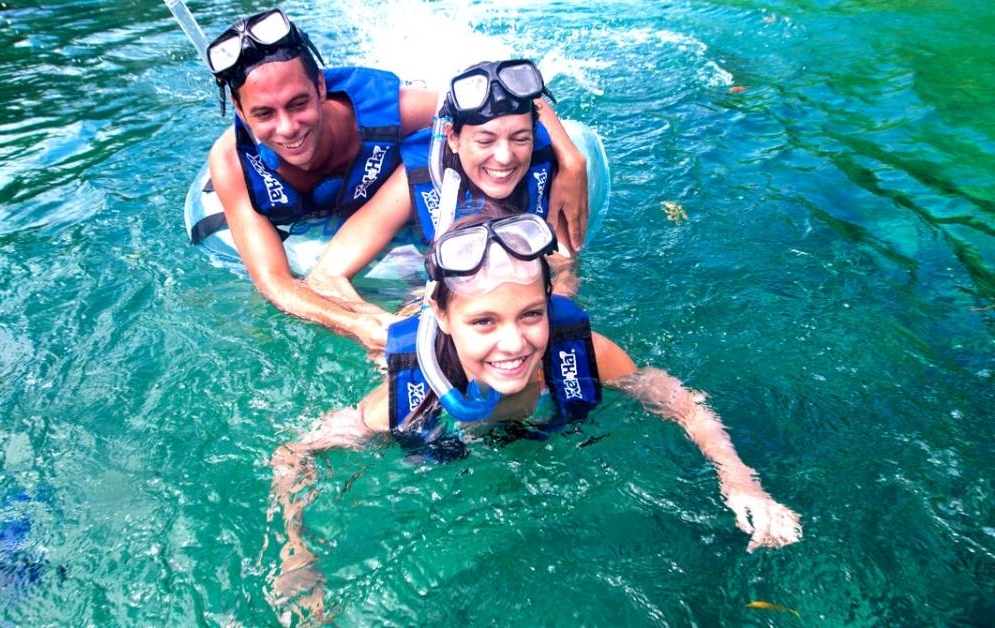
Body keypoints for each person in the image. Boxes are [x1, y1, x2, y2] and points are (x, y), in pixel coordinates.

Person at [267, 209, 802, 621]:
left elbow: (676, 397)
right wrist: (298, 555)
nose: (514, 342)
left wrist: (740, 480)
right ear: (445, 318)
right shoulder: (408, 398)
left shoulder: (581, 353)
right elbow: (294, 454)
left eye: (531, 314)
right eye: (484, 321)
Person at [199, 10, 590, 351]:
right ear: (238, 109)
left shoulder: (391, 112)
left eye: (299, 104)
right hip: (341, 220)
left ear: (320, 86)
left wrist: (571, 160)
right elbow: (275, 282)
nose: (287, 127)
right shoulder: (233, 162)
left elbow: (495, 98)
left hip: (378, 200)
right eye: (264, 113)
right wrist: (358, 322)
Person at [306, 59, 591, 330]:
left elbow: (563, 265)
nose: (504, 157)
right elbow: (325, 276)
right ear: (453, 138)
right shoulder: (420, 177)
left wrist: (553, 308)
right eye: (485, 140)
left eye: (520, 138)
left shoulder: (548, 162)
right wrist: (378, 322)